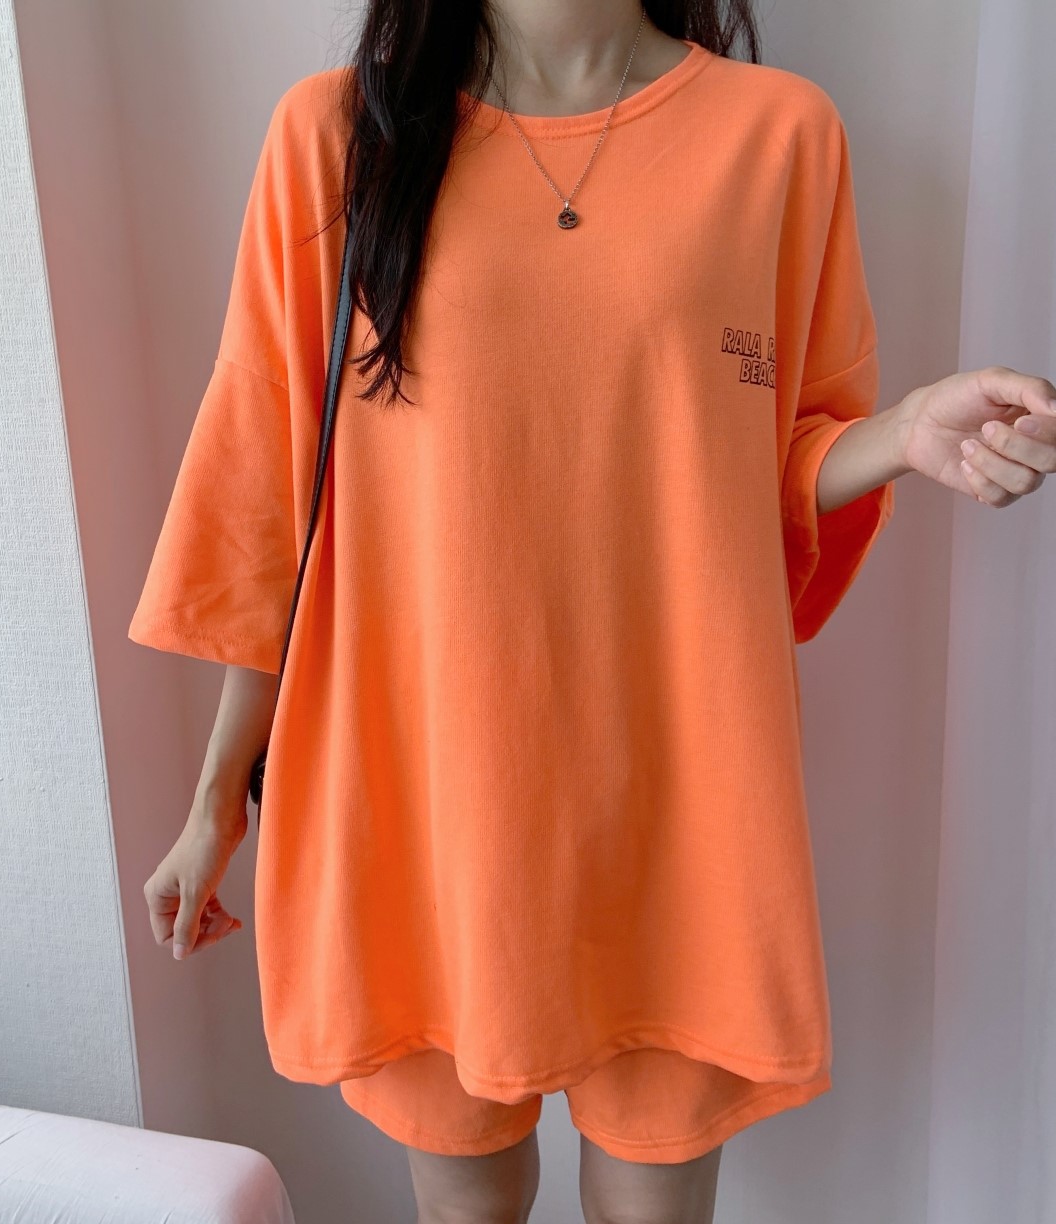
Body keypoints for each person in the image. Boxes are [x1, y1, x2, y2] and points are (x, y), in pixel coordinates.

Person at [129, 2, 1056, 1220]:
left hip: (678, 797)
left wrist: (902, 434)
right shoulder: (338, 136)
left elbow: (759, 460)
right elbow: (269, 495)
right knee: (466, 1205)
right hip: (424, 800)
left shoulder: (778, 137)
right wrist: (216, 801)